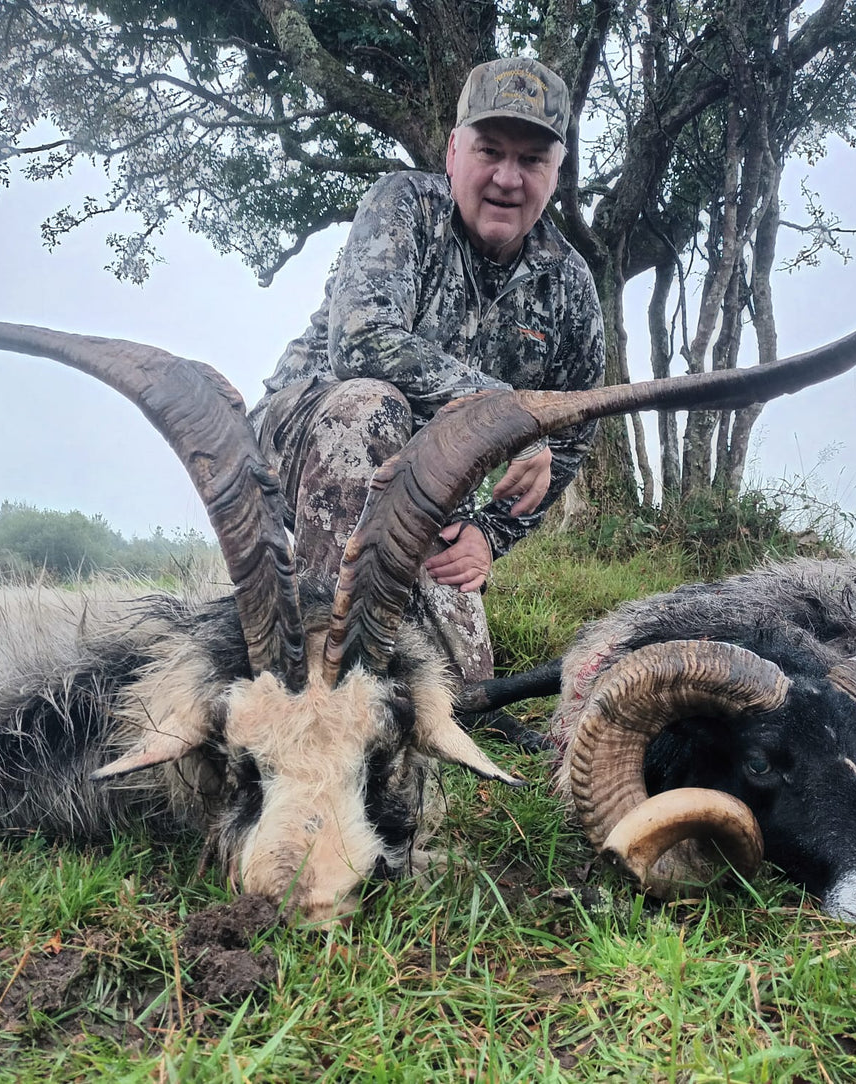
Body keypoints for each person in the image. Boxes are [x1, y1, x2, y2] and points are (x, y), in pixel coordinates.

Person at [249, 57, 605, 704]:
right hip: (306, 437)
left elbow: (572, 433)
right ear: (452, 152)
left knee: (463, 689)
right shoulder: (402, 203)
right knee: (369, 405)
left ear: (555, 174)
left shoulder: (570, 286)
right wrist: (509, 409)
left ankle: (394, 689)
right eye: (489, 151)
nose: (505, 177)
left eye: (530, 160)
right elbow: (360, 341)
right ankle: (320, 695)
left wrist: (488, 537)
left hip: (429, 482)